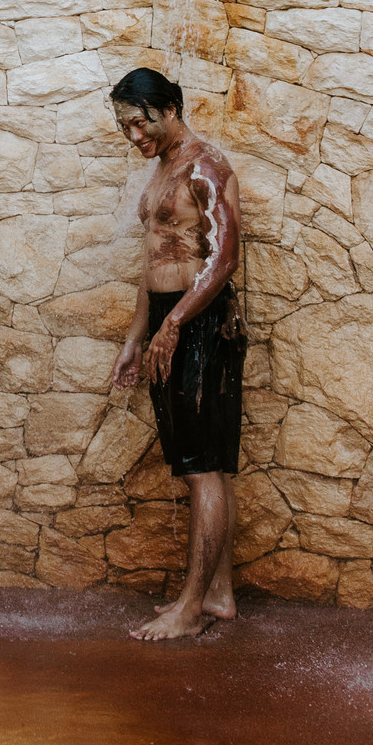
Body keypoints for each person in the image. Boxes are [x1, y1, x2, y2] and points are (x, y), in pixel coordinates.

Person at [108, 69, 247, 642]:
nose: (133, 135)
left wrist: (175, 324)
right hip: (172, 320)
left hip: (204, 320)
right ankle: (217, 594)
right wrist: (138, 336)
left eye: (139, 122)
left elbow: (224, 258)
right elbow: (154, 259)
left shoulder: (204, 166)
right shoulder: (163, 170)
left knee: (202, 469)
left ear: (168, 108)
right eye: (124, 126)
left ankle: (191, 608)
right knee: (202, 466)